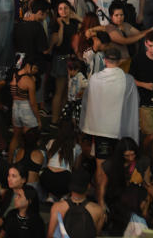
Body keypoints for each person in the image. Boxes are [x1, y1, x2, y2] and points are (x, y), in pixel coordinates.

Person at [80, 45, 140, 201]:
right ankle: (117, 198)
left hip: (100, 130)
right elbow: (133, 105)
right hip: (120, 129)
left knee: (101, 166)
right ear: (119, 61)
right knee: (120, 165)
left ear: (105, 60)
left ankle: (101, 201)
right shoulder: (127, 80)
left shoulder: (94, 79)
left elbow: (88, 103)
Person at [45, 169, 104, 238]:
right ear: (88, 186)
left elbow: (50, 235)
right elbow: (96, 235)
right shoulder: (98, 210)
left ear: (70, 185)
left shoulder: (57, 207)